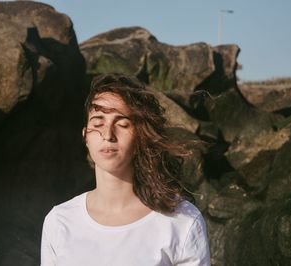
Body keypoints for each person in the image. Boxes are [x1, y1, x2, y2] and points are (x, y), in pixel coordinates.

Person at [40, 73, 210, 266]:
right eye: (98, 123)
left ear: (141, 135)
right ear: (85, 136)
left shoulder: (181, 220)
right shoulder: (60, 221)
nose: (108, 134)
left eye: (122, 124)